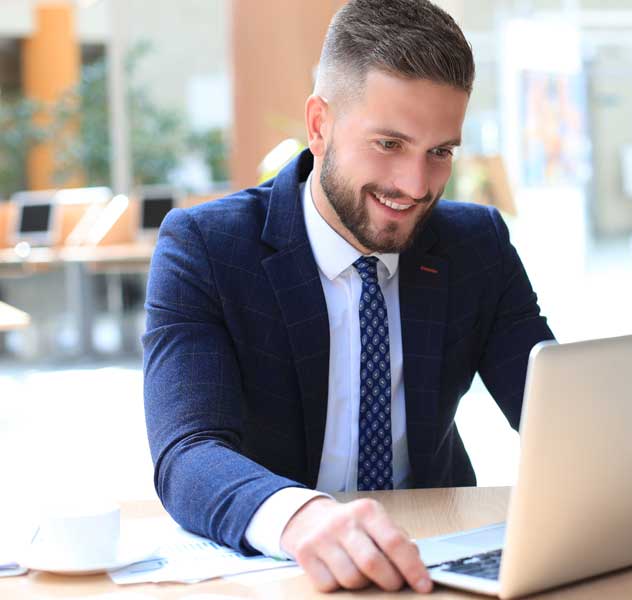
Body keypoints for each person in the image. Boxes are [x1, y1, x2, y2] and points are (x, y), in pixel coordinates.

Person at [142, 0, 554, 593]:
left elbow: (551, 416)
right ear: (319, 125)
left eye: (440, 152)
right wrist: (302, 518)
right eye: (389, 143)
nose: (415, 187)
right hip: (286, 567)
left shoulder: (475, 245)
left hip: (435, 562)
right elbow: (187, 453)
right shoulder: (207, 248)